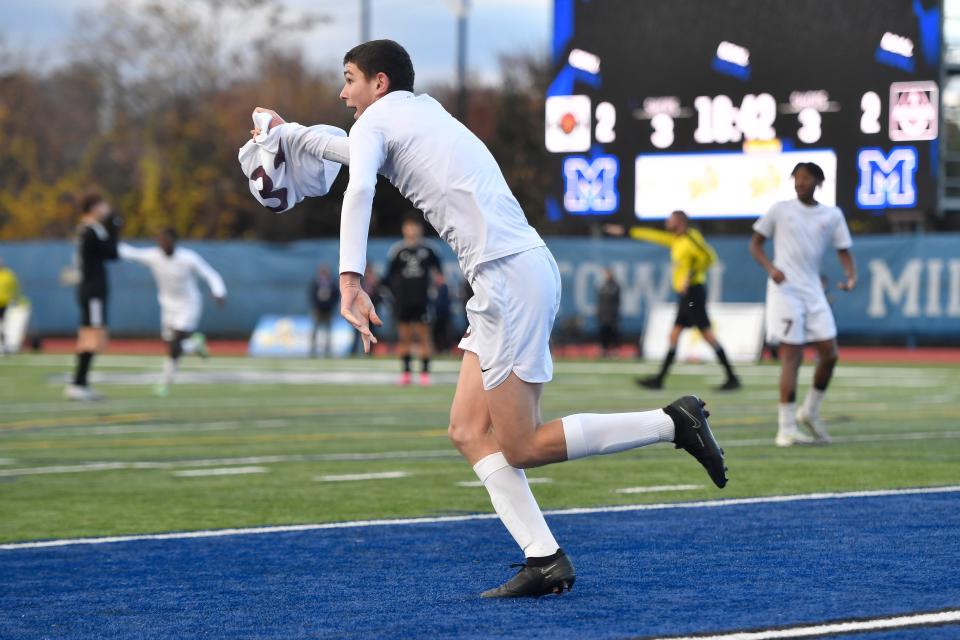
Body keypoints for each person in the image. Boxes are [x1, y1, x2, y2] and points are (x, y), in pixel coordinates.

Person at [250, 39, 727, 599]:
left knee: (519, 444)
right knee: (468, 430)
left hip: (507, 277)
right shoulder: (418, 112)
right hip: (508, 274)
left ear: (379, 84)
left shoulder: (383, 120)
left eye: (349, 78)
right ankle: (544, 559)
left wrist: (350, 281)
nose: (343, 91)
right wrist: (289, 134)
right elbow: (350, 151)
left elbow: (358, 188)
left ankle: (673, 422)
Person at [749, 162, 856, 447]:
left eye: (806, 178)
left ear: (818, 182)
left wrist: (850, 276)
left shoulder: (832, 215)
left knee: (830, 353)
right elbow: (755, 244)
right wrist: (771, 268)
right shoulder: (780, 210)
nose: (800, 183)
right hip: (785, 290)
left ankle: (809, 411)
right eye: (796, 178)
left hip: (813, 290)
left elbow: (844, 250)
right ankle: (785, 428)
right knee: (792, 355)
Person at [605, 211, 740, 391]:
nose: (667, 222)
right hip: (686, 295)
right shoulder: (676, 239)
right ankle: (659, 379)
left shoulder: (691, 238)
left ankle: (731, 378)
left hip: (694, 293)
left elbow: (709, 257)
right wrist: (625, 231)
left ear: (680, 222)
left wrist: (689, 275)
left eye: (671, 219)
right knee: (675, 335)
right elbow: (652, 236)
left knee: (706, 334)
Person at [119, 228, 226, 396]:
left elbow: (210, 274)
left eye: (166, 240)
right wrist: (107, 239)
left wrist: (219, 291)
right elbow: (130, 253)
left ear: (174, 241)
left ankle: (165, 382)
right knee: (171, 346)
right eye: (160, 240)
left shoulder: (188, 258)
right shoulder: (154, 256)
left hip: (189, 305)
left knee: (175, 342)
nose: (162, 244)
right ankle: (194, 344)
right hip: (168, 307)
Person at [65, 192, 121, 401]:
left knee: (91, 336)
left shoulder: (88, 230)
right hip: (93, 290)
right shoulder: (91, 230)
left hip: (90, 289)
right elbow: (112, 253)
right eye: (103, 205)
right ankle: (79, 384)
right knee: (92, 337)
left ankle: (80, 383)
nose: (106, 208)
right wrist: (114, 224)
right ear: (94, 207)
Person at [385, 214, 442, 385]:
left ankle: (425, 372)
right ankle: (406, 372)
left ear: (420, 229)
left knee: (424, 336)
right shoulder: (398, 251)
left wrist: (435, 290)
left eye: (415, 227)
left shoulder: (429, 250)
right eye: (409, 227)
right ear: (404, 230)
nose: (412, 230)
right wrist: (394, 296)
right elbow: (389, 277)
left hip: (423, 300)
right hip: (403, 301)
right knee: (404, 337)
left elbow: (439, 275)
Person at [308, 264, 339, 357]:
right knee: (315, 329)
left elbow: (336, 296)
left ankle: (327, 349)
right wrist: (317, 304)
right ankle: (313, 349)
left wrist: (330, 304)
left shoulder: (332, 283)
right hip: (318, 309)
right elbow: (312, 295)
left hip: (328, 310)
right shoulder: (316, 282)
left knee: (328, 330)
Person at [596, 267, 621, 357]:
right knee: (603, 332)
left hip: (612, 314)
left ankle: (614, 349)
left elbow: (617, 301)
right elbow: (599, 300)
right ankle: (604, 349)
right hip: (603, 314)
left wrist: (614, 312)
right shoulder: (602, 286)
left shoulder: (615, 286)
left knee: (613, 332)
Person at [0, 257, 20, 354]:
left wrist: (15, 299)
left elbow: (15, 287)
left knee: (4, 326)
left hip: (4, 304)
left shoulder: (8, 274)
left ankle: (5, 346)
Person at [430, 270, 452, 353]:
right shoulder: (434, 288)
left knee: (445, 332)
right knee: (436, 333)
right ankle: (437, 348)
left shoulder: (445, 288)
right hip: (436, 315)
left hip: (444, 314)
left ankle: (445, 348)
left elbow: (446, 302)